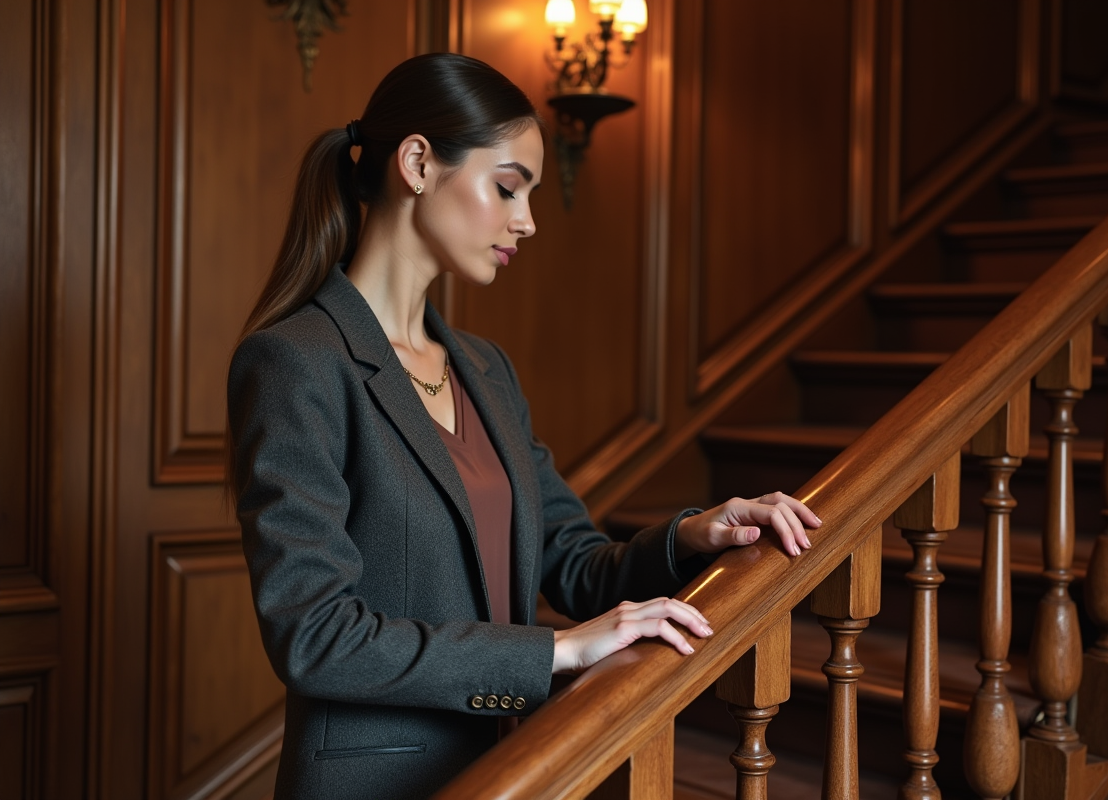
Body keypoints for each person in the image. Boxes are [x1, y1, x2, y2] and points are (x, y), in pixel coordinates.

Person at [226, 53, 821, 800]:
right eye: (508, 187)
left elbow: (573, 562)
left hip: (514, 771)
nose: (527, 220)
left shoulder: (486, 368)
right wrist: (554, 653)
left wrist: (690, 537)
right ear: (417, 163)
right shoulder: (296, 362)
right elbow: (315, 637)